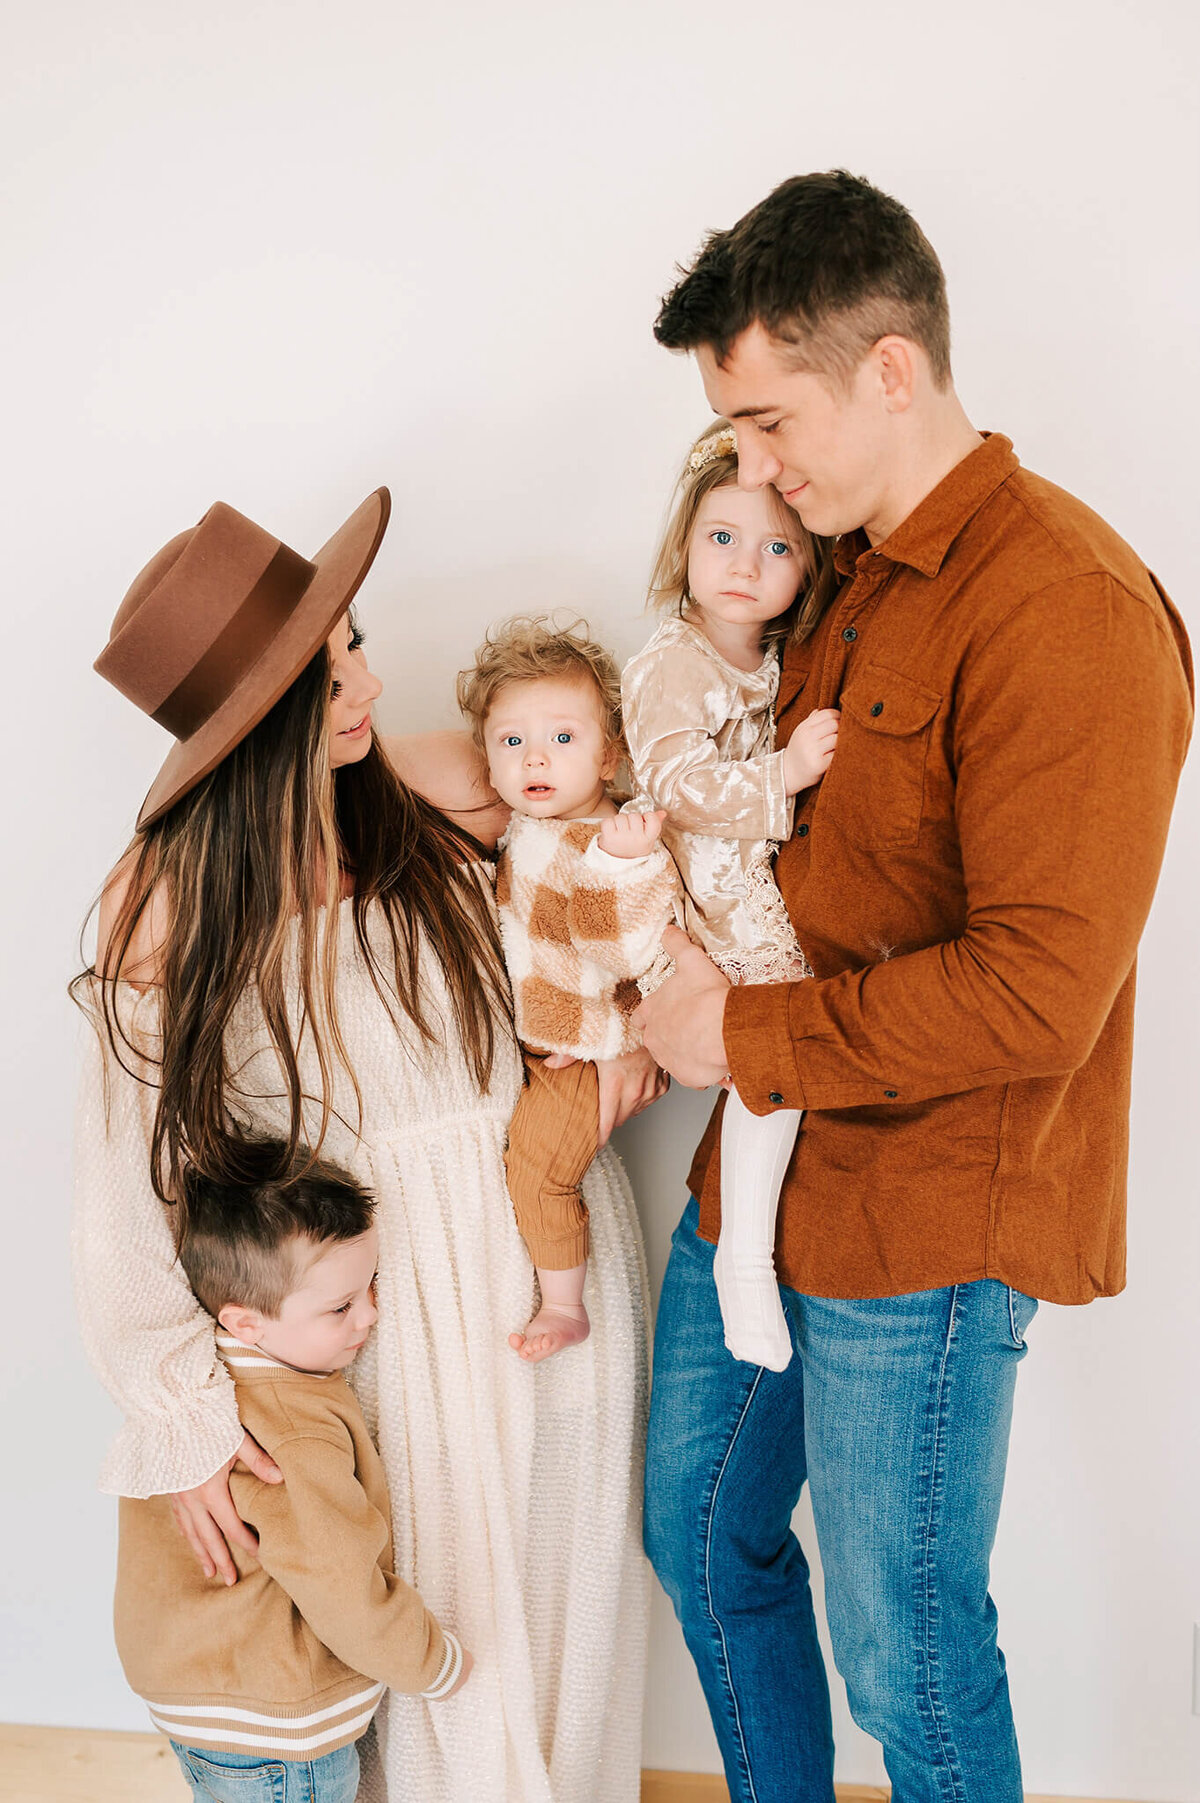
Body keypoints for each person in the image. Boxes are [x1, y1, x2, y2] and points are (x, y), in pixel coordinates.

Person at [633, 171, 1193, 1803]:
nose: (752, 465)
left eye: (763, 417)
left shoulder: (1068, 604)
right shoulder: (840, 572)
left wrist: (733, 1031)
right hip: (766, 1175)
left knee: (908, 1642)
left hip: (930, 1215)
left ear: (889, 366)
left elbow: (1037, 996)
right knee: (699, 1531)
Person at [73, 490, 658, 1803]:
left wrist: (635, 1029)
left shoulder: (438, 786)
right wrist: (184, 1415)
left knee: (562, 1623)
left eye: (356, 645)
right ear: (258, 711)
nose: (372, 682)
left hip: (544, 1256)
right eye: (335, 669)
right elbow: (124, 1185)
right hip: (372, 1311)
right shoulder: (163, 900)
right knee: (421, 1638)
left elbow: (614, 885)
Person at [117, 1140, 470, 1801]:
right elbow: (339, 1580)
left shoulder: (185, 1395)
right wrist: (433, 1661)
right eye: (340, 1307)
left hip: (193, 1688)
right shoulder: (295, 1427)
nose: (369, 1313)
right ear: (245, 1320)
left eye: (371, 1285)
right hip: (276, 1722)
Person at [622, 421, 838, 1370]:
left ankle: (752, 1247)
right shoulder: (673, 660)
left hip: (747, 873)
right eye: (722, 538)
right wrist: (785, 775)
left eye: (776, 546)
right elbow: (677, 785)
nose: (746, 565)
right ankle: (742, 1256)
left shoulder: (772, 659)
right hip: (707, 881)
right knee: (772, 1038)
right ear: (684, 548)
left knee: (782, 1044)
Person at [457, 615, 678, 1362]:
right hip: (543, 1035)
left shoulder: (612, 842)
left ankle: (564, 1304)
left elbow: (624, 952)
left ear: (608, 754)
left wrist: (620, 867)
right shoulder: (530, 825)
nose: (534, 758)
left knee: (539, 1170)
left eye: (562, 737)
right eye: (510, 741)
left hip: (589, 1049)